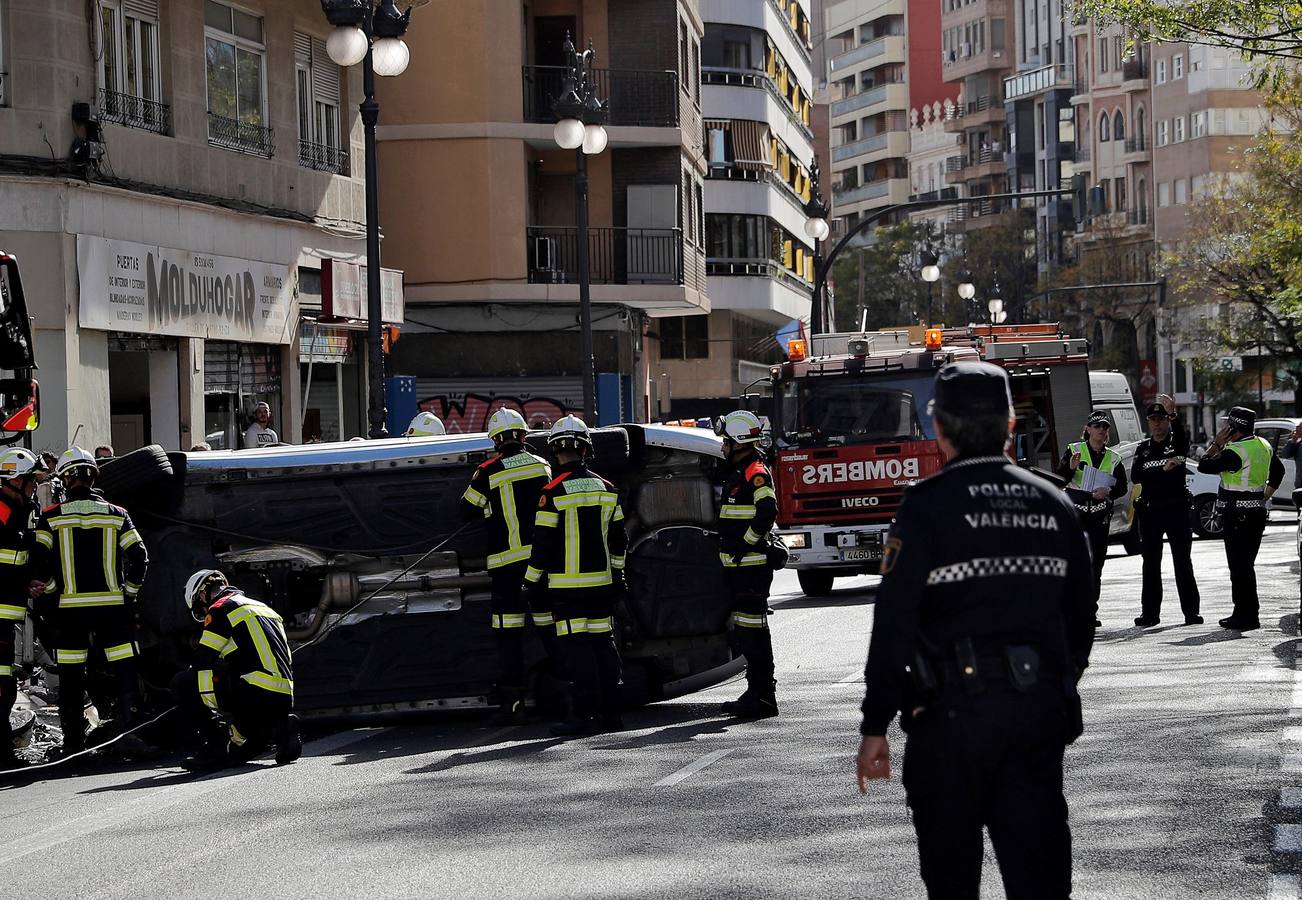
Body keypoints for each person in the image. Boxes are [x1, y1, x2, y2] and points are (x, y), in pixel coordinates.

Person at [856, 361, 1095, 900]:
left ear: (938, 426)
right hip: (1034, 720)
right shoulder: (1055, 504)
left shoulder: (923, 509)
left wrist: (876, 726)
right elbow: (1082, 617)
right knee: (1041, 883)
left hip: (947, 727)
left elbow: (893, 627)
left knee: (952, 883)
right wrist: (1054, 684)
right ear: (1012, 424)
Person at [32, 447, 148, 757]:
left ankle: (73, 744)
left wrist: (54, 587)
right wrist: (129, 594)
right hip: (113, 610)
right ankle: (129, 735)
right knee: (124, 672)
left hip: (69, 613)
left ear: (66, 480)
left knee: (71, 677)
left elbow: (40, 563)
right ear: (93, 475)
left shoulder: (50, 517)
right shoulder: (117, 514)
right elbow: (140, 558)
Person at [524, 415, 626, 736]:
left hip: (567, 591)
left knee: (577, 653)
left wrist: (529, 582)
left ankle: (582, 716)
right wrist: (618, 575)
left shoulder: (551, 492)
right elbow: (619, 540)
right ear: (586, 450)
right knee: (604, 648)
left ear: (555, 451)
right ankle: (612, 715)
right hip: (602, 587)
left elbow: (542, 545)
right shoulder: (607, 489)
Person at [459, 408, 551, 722]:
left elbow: (466, 511)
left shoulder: (487, 471)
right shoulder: (543, 466)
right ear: (523, 435)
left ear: (496, 440)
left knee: (508, 637)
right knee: (551, 631)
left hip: (506, 570)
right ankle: (567, 697)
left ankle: (514, 705)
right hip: (541, 566)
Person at [171, 569, 300, 770]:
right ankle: (279, 729)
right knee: (239, 755)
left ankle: (215, 747)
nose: (204, 613)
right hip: (283, 697)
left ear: (202, 594)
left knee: (183, 682)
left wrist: (214, 710)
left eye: (200, 608)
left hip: (253, 696)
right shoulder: (264, 608)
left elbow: (204, 661)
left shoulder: (220, 608)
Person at [714, 409, 779, 719]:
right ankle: (757, 692)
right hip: (742, 568)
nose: (723, 448)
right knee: (746, 633)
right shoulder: (739, 473)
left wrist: (745, 543)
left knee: (754, 634)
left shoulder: (755, 471)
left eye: (726, 442)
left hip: (751, 567)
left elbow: (767, 511)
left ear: (738, 443)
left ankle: (763, 696)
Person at [1197, 407, 1285, 631]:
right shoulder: (1263, 445)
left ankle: (1246, 615)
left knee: (1239, 567)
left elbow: (1204, 465)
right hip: (1255, 513)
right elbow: (1279, 471)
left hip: (1237, 516)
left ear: (1232, 428)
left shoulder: (1234, 452)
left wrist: (1216, 444)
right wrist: (1265, 494)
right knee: (1245, 566)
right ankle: (1244, 612)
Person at [1130, 395, 1202, 626]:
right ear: (1149, 422)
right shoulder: (1143, 449)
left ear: (1167, 420)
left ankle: (1191, 612)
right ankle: (1150, 613)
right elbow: (1135, 476)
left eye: (1161, 419)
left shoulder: (1176, 442)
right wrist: (1162, 469)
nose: (1158, 423)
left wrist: (1174, 414)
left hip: (1176, 510)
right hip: (1151, 511)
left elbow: (1183, 441)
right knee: (1150, 563)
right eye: (1153, 419)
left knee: (1182, 561)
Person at [1056, 410, 1128, 626]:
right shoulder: (1074, 450)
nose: (1101, 430)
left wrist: (1108, 492)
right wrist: (1070, 468)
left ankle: (1089, 610)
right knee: (1074, 563)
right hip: (1076, 514)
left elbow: (1122, 487)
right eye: (1097, 426)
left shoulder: (1114, 458)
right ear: (1087, 429)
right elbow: (1059, 479)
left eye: (1105, 427)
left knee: (1095, 566)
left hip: (1098, 517)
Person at [0, 449, 42, 769]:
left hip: (8, 610)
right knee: (2, 684)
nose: (34, 488)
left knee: (6, 681)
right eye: (30, 481)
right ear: (14, 479)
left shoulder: (20, 509)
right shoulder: (2, 510)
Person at [1277, 422, 1302, 511]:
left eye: (1299, 428)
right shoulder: (1297, 443)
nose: (1296, 430)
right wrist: (1292, 441)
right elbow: (1285, 454)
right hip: (1300, 485)